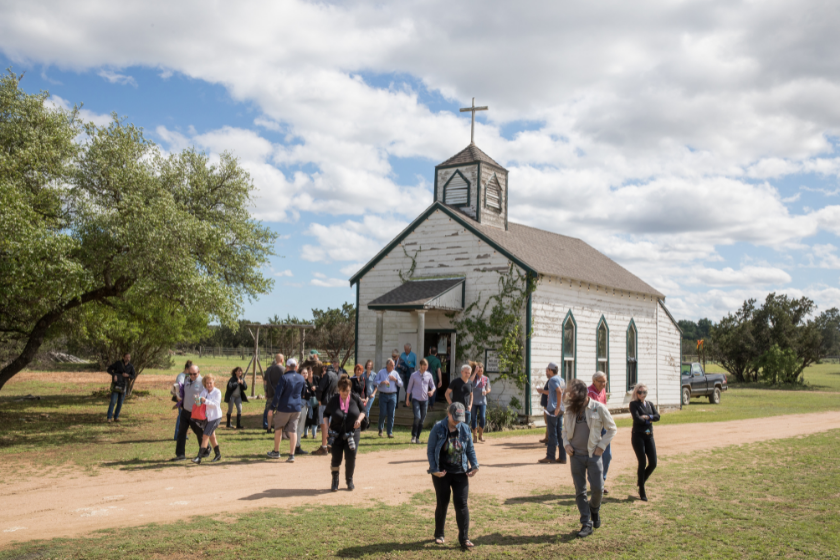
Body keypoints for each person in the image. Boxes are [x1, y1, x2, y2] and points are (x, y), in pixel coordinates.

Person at [562, 378, 618, 538]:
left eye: (572, 395)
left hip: (594, 455)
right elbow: (564, 431)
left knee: (598, 489)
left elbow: (612, 429)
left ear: (581, 394)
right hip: (576, 456)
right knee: (580, 491)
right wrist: (566, 444)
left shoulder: (598, 408)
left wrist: (601, 447)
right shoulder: (570, 409)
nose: (570, 398)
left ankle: (594, 509)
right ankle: (586, 523)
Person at [426, 402, 479, 550]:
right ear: (448, 414)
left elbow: (470, 449)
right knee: (442, 503)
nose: (457, 421)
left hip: (460, 472)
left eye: (459, 418)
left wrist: (474, 466)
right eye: (454, 418)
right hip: (441, 473)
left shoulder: (465, 429)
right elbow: (430, 451)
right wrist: (433, 469)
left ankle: (464, 538)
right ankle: (439, 533)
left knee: (461, 504)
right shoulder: (437, 428)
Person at [323, 376, 366, 491]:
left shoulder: (355, 398)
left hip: (352, 432)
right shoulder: (333, 400)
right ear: (339, 390)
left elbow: (363, 411)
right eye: (343, 391)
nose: (345, 393)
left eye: (347, 391)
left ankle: (349, 480)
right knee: (336, 458)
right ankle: (335, 480)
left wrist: (359, 420)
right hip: (336, 434)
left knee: (351, 457)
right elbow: (325, 414)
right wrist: (327, 427)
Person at [266, 358, 306, 463]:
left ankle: (276, 452)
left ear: (287, 367)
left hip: (284, 407)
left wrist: (272, 407)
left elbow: (277, 394)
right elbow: (303, 392)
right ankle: (291, 455)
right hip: (296, 407)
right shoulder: (301, 378)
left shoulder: (284, 378)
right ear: (296, 367)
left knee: (278, 428)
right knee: (293, 431)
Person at [629, 383, 659, 501]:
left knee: (653, 463)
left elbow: (657, 417)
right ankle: (642, 489)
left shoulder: (650, 404)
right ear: (636, 393)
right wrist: (649, 418)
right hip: (638, 436)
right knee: (642, 462)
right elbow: (637, 419)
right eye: (640, 392)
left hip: (649, 436)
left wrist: (646, 417)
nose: (642, 394)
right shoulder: (633, 404)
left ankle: (640, 480)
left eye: (644, 392)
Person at [172, 365, 208, 461]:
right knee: (181, 432)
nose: (192, 376)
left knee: (199, 432)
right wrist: (178, 396)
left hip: (196, 413)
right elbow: (183, 391)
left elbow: (208, 395)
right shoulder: (187, 379)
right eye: (190, 374)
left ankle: (206, 449)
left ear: (199, 372)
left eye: (194, 374)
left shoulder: (203, 382)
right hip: (185, 411)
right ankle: (180, 455)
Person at [588, 372, 612, 493]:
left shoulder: (602, 391)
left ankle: (601, 481)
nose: (603, 384)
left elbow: (604, 407)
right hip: (593, 427)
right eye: (601, 382)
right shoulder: (589, 393)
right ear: (594, 381)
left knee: (607, 455)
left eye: (605, 382)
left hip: (603, 426)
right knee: (593, 456)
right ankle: (595, 483)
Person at [538, 363, 566, 463]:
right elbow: (564, 392)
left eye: (547, 370)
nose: (547, 372)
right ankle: (563, 457)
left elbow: (558, 391)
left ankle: (550, 456)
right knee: (560, 433)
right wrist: (561, 405)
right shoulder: (562, 379)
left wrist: (557, 406)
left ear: (550, 370)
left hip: (553, 409)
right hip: (560, 409)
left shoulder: (552, 380)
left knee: (552, 433)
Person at [193, 374, 223, 464]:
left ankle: (199, 457)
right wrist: (197, 400)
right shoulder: (204, 391)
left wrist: (204, 400)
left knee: (205, 435)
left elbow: (215, 404)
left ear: (214, 383)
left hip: (216, 417)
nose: (209, 385)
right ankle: (218, 455)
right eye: (207, 383)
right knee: (212, 437)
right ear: (205, 384)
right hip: (208, 418)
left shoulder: (217, 392)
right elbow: (200, 404)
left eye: (210, 383)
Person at [406, 358, 436, 444]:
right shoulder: (414, 375)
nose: (425, 368)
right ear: (420, 365)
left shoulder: (429, 375)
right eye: (424, 366)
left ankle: (418, 437)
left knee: (422, 419)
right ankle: (414, 436)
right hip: (415, 399)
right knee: (417, 417)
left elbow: (433, 386)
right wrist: (407, 399)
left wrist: (432, 391)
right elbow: (409, 388)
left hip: (425, 400)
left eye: (426, 367)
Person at [313, 363, 340, 455]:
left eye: (323, 367)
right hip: (333, 402)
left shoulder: (327, 375)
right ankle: (331, 446)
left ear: (325, 367)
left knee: (324, 425)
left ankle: (324, 447)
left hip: (325, 403)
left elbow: (320, 389)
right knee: (330, 425)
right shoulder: (336, 375)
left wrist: (319, 400)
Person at [373, 359, 402, 438]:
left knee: (391, 414)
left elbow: (401, 384)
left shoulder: (395, 373)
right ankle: (380, 429)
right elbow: (375, 382)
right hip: (383, 395)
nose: (393, 366)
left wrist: (395, 379)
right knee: (382, 413)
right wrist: (382, 382)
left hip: (393, 395)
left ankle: (389, 432)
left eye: (393, 365)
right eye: (392, 365)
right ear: (387, 365)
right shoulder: (381, 372)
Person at [106, 353, 136, 423]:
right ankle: (109, 417)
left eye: (129, 357)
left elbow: (133, 376)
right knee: (113, 401)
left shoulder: (131, 366)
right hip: (116, 385)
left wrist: (128, 375)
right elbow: (109, 369)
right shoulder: (118, 363)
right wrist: (114, 375)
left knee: (120, 403)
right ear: (123, 357)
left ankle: (116, 417)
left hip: (124, 386)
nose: (128, 359)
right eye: (126, 357)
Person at [293, 366, 316, 455]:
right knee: (299, 427)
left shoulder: (305, 382)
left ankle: (297, 446)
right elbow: (302, 395)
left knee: (300, 427)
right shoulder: (300, 382)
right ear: (299, 374)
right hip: (301, 406)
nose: (305, 374)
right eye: (303, 373)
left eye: (306, 373)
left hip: (304, 405)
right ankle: (296, 447)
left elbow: (308, 394)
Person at [263, 354, 285, 431]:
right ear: (282, 360)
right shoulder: (284, 370)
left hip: (270, 393)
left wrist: (266, 391)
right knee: (279, 412)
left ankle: (269, 428)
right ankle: (277, 427)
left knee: (270, 410)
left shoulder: (268, 369)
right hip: (281, 395)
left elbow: (265, 382)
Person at [171, 360, 192, 440]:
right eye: (190, 370)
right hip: (181, 399)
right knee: (181, 417)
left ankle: (183, 434)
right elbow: (178, 388)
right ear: (186, 368)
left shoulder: (188, 376)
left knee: (186, 418)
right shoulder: (181, 376)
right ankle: (177, 435)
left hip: (187, 400)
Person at [470, 364, 491, 443]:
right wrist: (474, 373)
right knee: (473, 418)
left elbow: (489, 388)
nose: (480, 372)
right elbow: (469, 382)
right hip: (474, 401)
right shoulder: (473, 378)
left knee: (482, 417)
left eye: (481, 371)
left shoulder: (486, 378)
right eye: (478, 371)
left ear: (483, 371)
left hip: (482, 401)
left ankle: (481, 435)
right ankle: (474, 437)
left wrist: (486, 391)